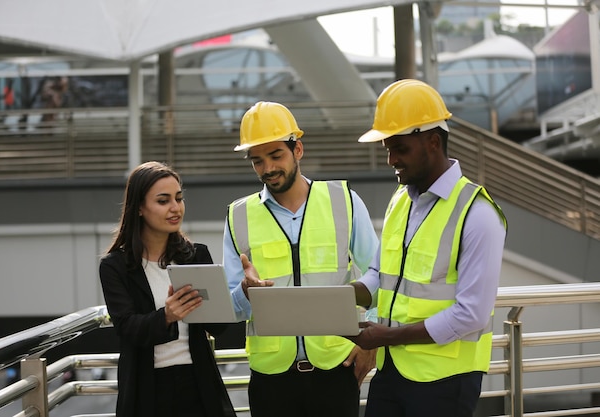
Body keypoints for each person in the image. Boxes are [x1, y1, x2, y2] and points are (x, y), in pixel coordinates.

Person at [347, 79, 508, 417]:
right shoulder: (399, 202)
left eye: (400, 148)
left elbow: (471, 314)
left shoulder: (477, 214)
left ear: (433, 142)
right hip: (393, 373)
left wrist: (386, 337)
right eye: (387, 148)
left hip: (446, 381)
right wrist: (343, 296)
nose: (391, 159)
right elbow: (381, 275)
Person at [223, 101, 379, 417]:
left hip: (337, 369)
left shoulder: (344, 201)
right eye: (257, 160)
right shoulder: (238, 216)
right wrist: (244, 293)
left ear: (298, 150)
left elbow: (381, 274)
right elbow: (230, 307)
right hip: (271, 379)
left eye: (276, 155)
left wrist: (371, 341)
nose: (267, 168)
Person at [99, 161, 236, 417]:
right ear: (139, 208)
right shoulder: (115, 266)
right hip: (146, 387)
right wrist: (167, 316)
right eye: (163, 201)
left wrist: (240, 291)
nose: (175, 208)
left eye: (179, 198)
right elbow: (127, 328)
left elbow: (218, 327)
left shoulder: (196, 255)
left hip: (197, 379)